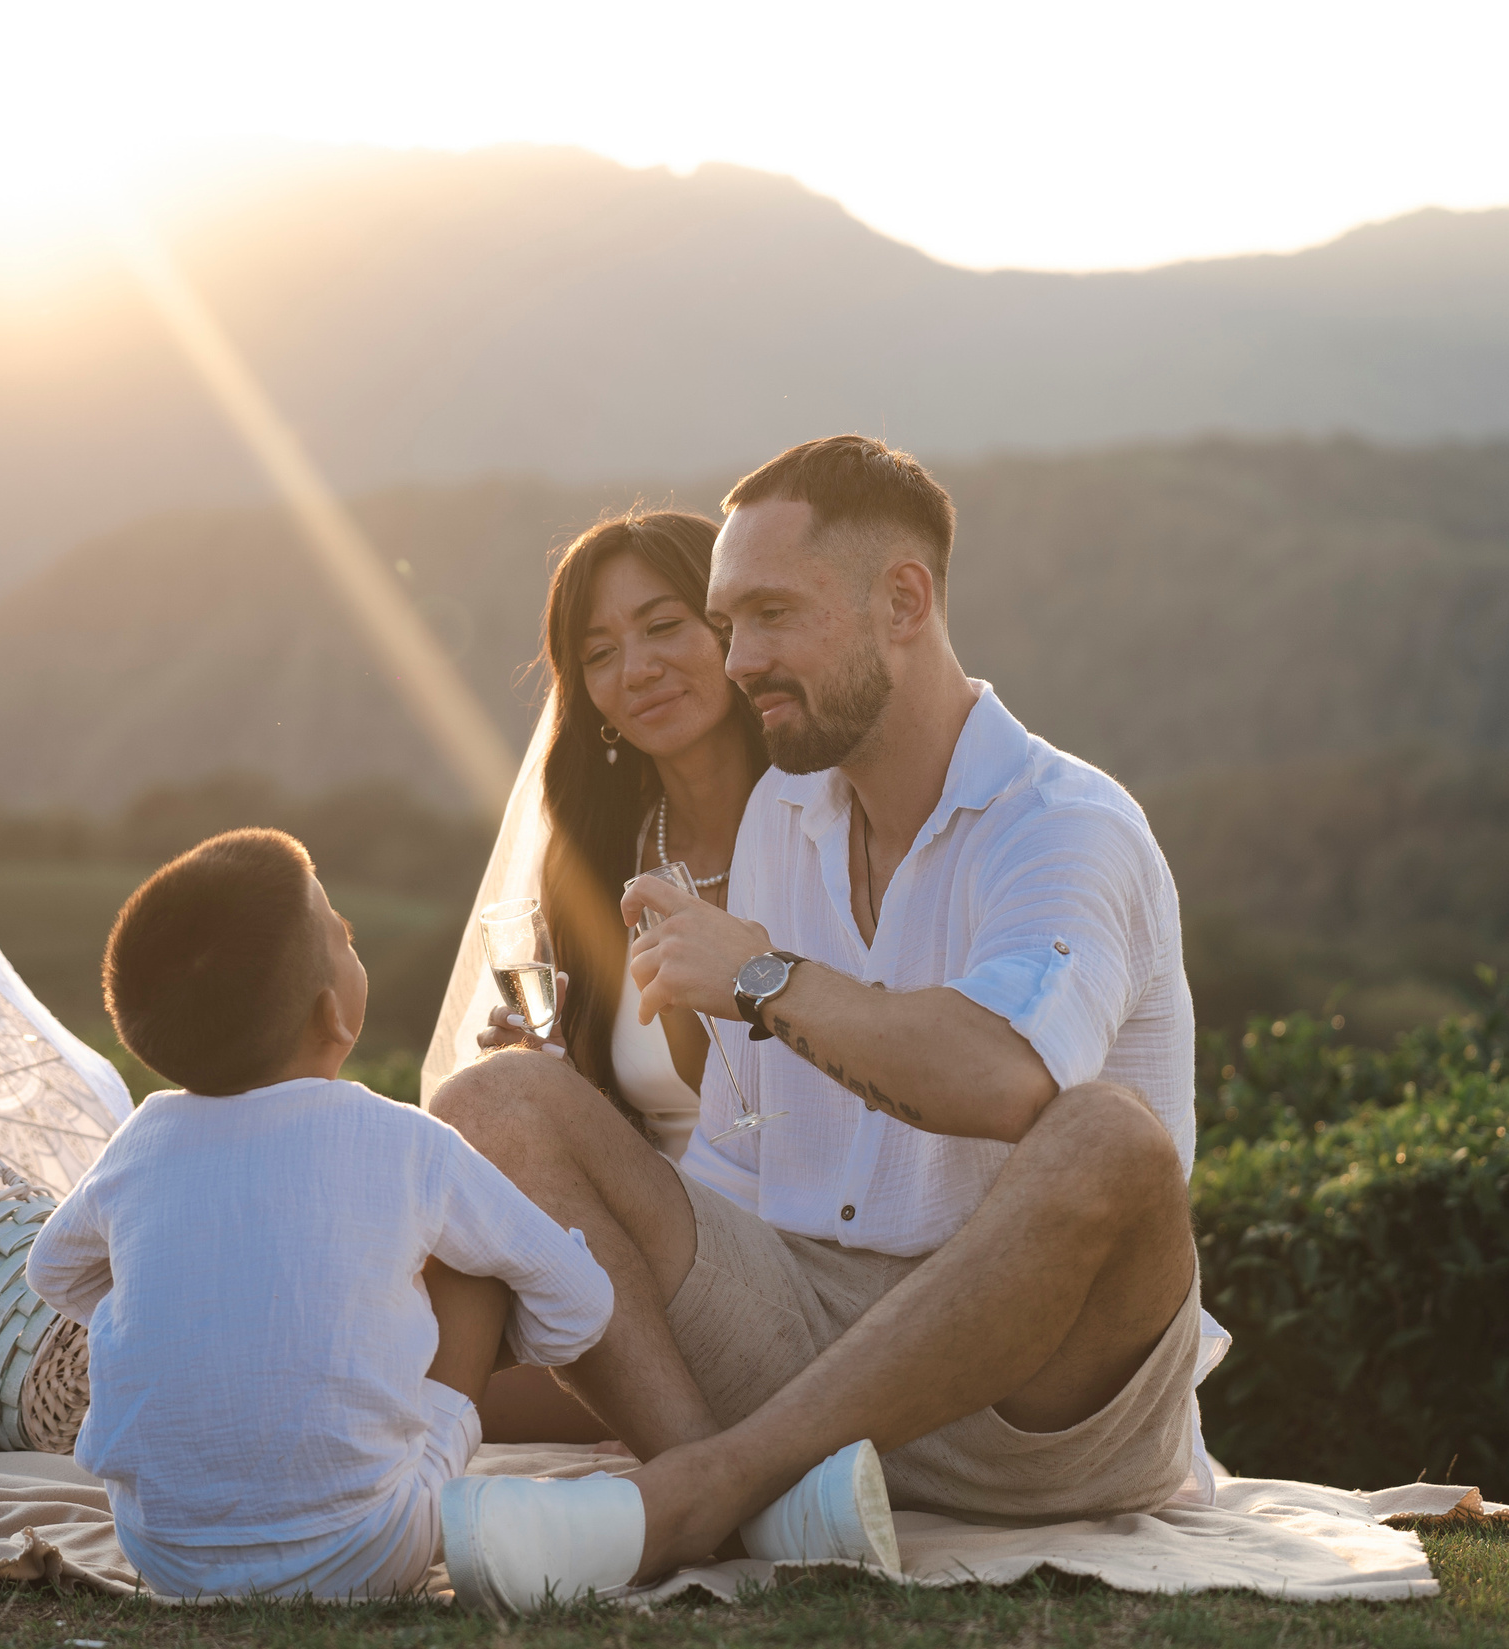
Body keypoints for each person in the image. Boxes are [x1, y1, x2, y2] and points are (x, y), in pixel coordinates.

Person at [430, 436, 1212, 1609]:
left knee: (1111, 1136)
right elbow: (737, 1161)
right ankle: (747, 1487)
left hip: (1036, 1399)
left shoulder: (1063, 823)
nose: (738, 661)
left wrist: (760, 974)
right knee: (490, 1102)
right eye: (727, 623)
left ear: (903, 600)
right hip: (803, 1340)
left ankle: (702, 1489)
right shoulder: (781, 820)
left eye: (769, 616)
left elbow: (1004, 1078)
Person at [25, 828, 616, 1600]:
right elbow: (582, 1306)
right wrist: (450, 1339)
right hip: (365, 1548)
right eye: (346, 934)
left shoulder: (145, 1138)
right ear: (333, 1012)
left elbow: (52, 1269)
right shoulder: (404, 1142)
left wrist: (196, 1299)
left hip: (161, 1546)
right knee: (479, 1271)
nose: (352, 937)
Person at [448, 511, 772, 1447]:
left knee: (408, 1387)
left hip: (786, 1254)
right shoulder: (600, 858)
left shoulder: (825, 833)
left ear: (732, 625)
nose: (636, 669)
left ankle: (701, 1473)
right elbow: (603, 1111)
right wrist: (549, 1080)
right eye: (600, 652)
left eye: (664, 625)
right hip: (628, 1250)